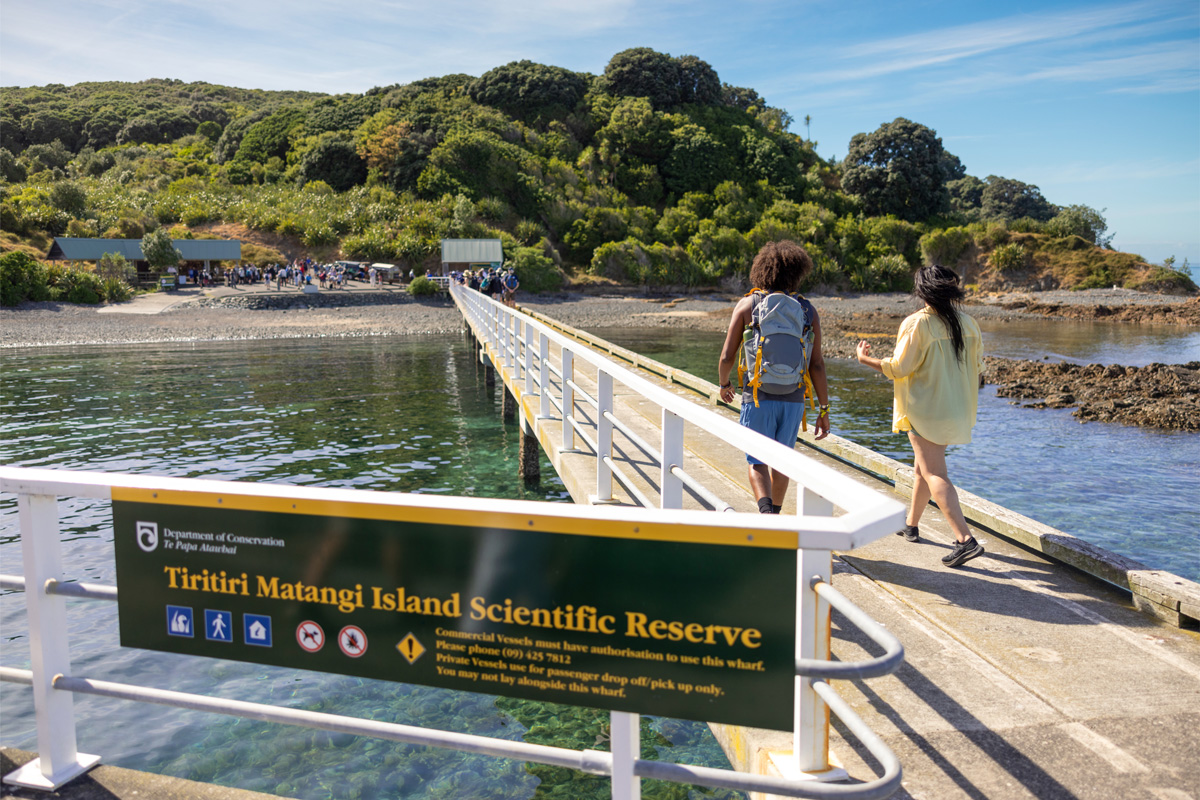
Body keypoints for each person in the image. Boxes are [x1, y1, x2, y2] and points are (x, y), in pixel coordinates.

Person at [855, 264, 985, 568]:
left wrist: (864, 359)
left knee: (934, 472)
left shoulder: (918, 323)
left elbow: (899, 368)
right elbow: (979, 369)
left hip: (926, 408)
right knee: (923, 467)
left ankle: (965, 540)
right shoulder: (969, 323)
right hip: (956, 408)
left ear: (922, 291)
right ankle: (911, 524)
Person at [718, 241, 830, 514]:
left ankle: (766, 514)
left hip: (757, 396)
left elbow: (726, 357)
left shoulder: (748, 305)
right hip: (793, 399)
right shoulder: (806, 310)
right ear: (797, 274)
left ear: (761, 271)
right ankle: (775, 515)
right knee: (783, 461)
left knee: (757, 461)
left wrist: (725, 384)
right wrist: (824, 409)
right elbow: (816, 365)